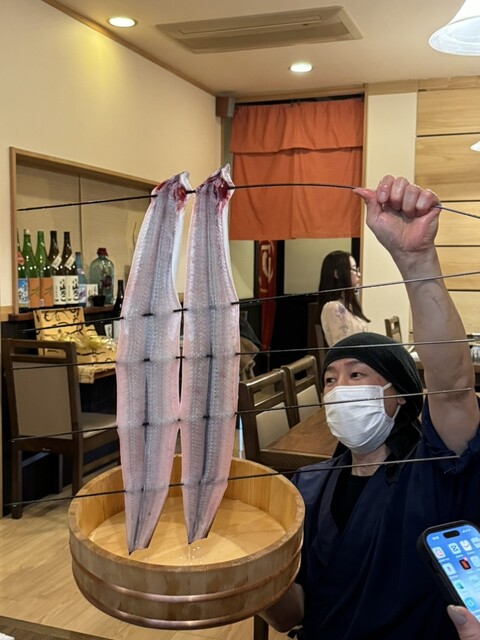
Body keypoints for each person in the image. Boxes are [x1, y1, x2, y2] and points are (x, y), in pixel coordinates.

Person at [260, 175, 480, 639]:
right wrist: (255, 573)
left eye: (357, 375)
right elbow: (290, 615)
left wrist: (416, 261)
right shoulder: (307, 486)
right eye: (330, 380)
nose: (339, 389)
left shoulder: (435, 472)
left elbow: (453, 389)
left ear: (399, 394)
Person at [317, 250, 370, 346]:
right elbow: (343, 349)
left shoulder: (348, 304)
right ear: (337, 274)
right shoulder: (332, 307)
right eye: (354, 270)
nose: (359, 274)